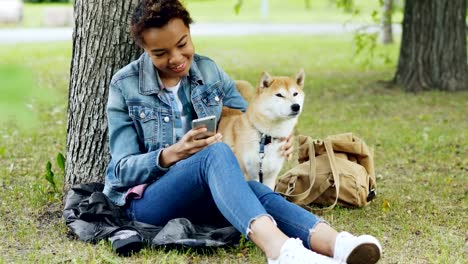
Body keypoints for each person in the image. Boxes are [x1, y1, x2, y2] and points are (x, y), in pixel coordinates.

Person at [103, 0, 382, 263]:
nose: (176, 59)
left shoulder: (207, 70)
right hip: (148, 204)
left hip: (206, 196)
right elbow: (121, 169)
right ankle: (280, 250)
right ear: (144, 49)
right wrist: (173, 153)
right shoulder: (125, 85)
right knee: (215, 152)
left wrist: (277, 139)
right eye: (160, 53)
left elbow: (254, 115)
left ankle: (339, 244)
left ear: (189, 33)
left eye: (182, 44)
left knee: (254, 189)